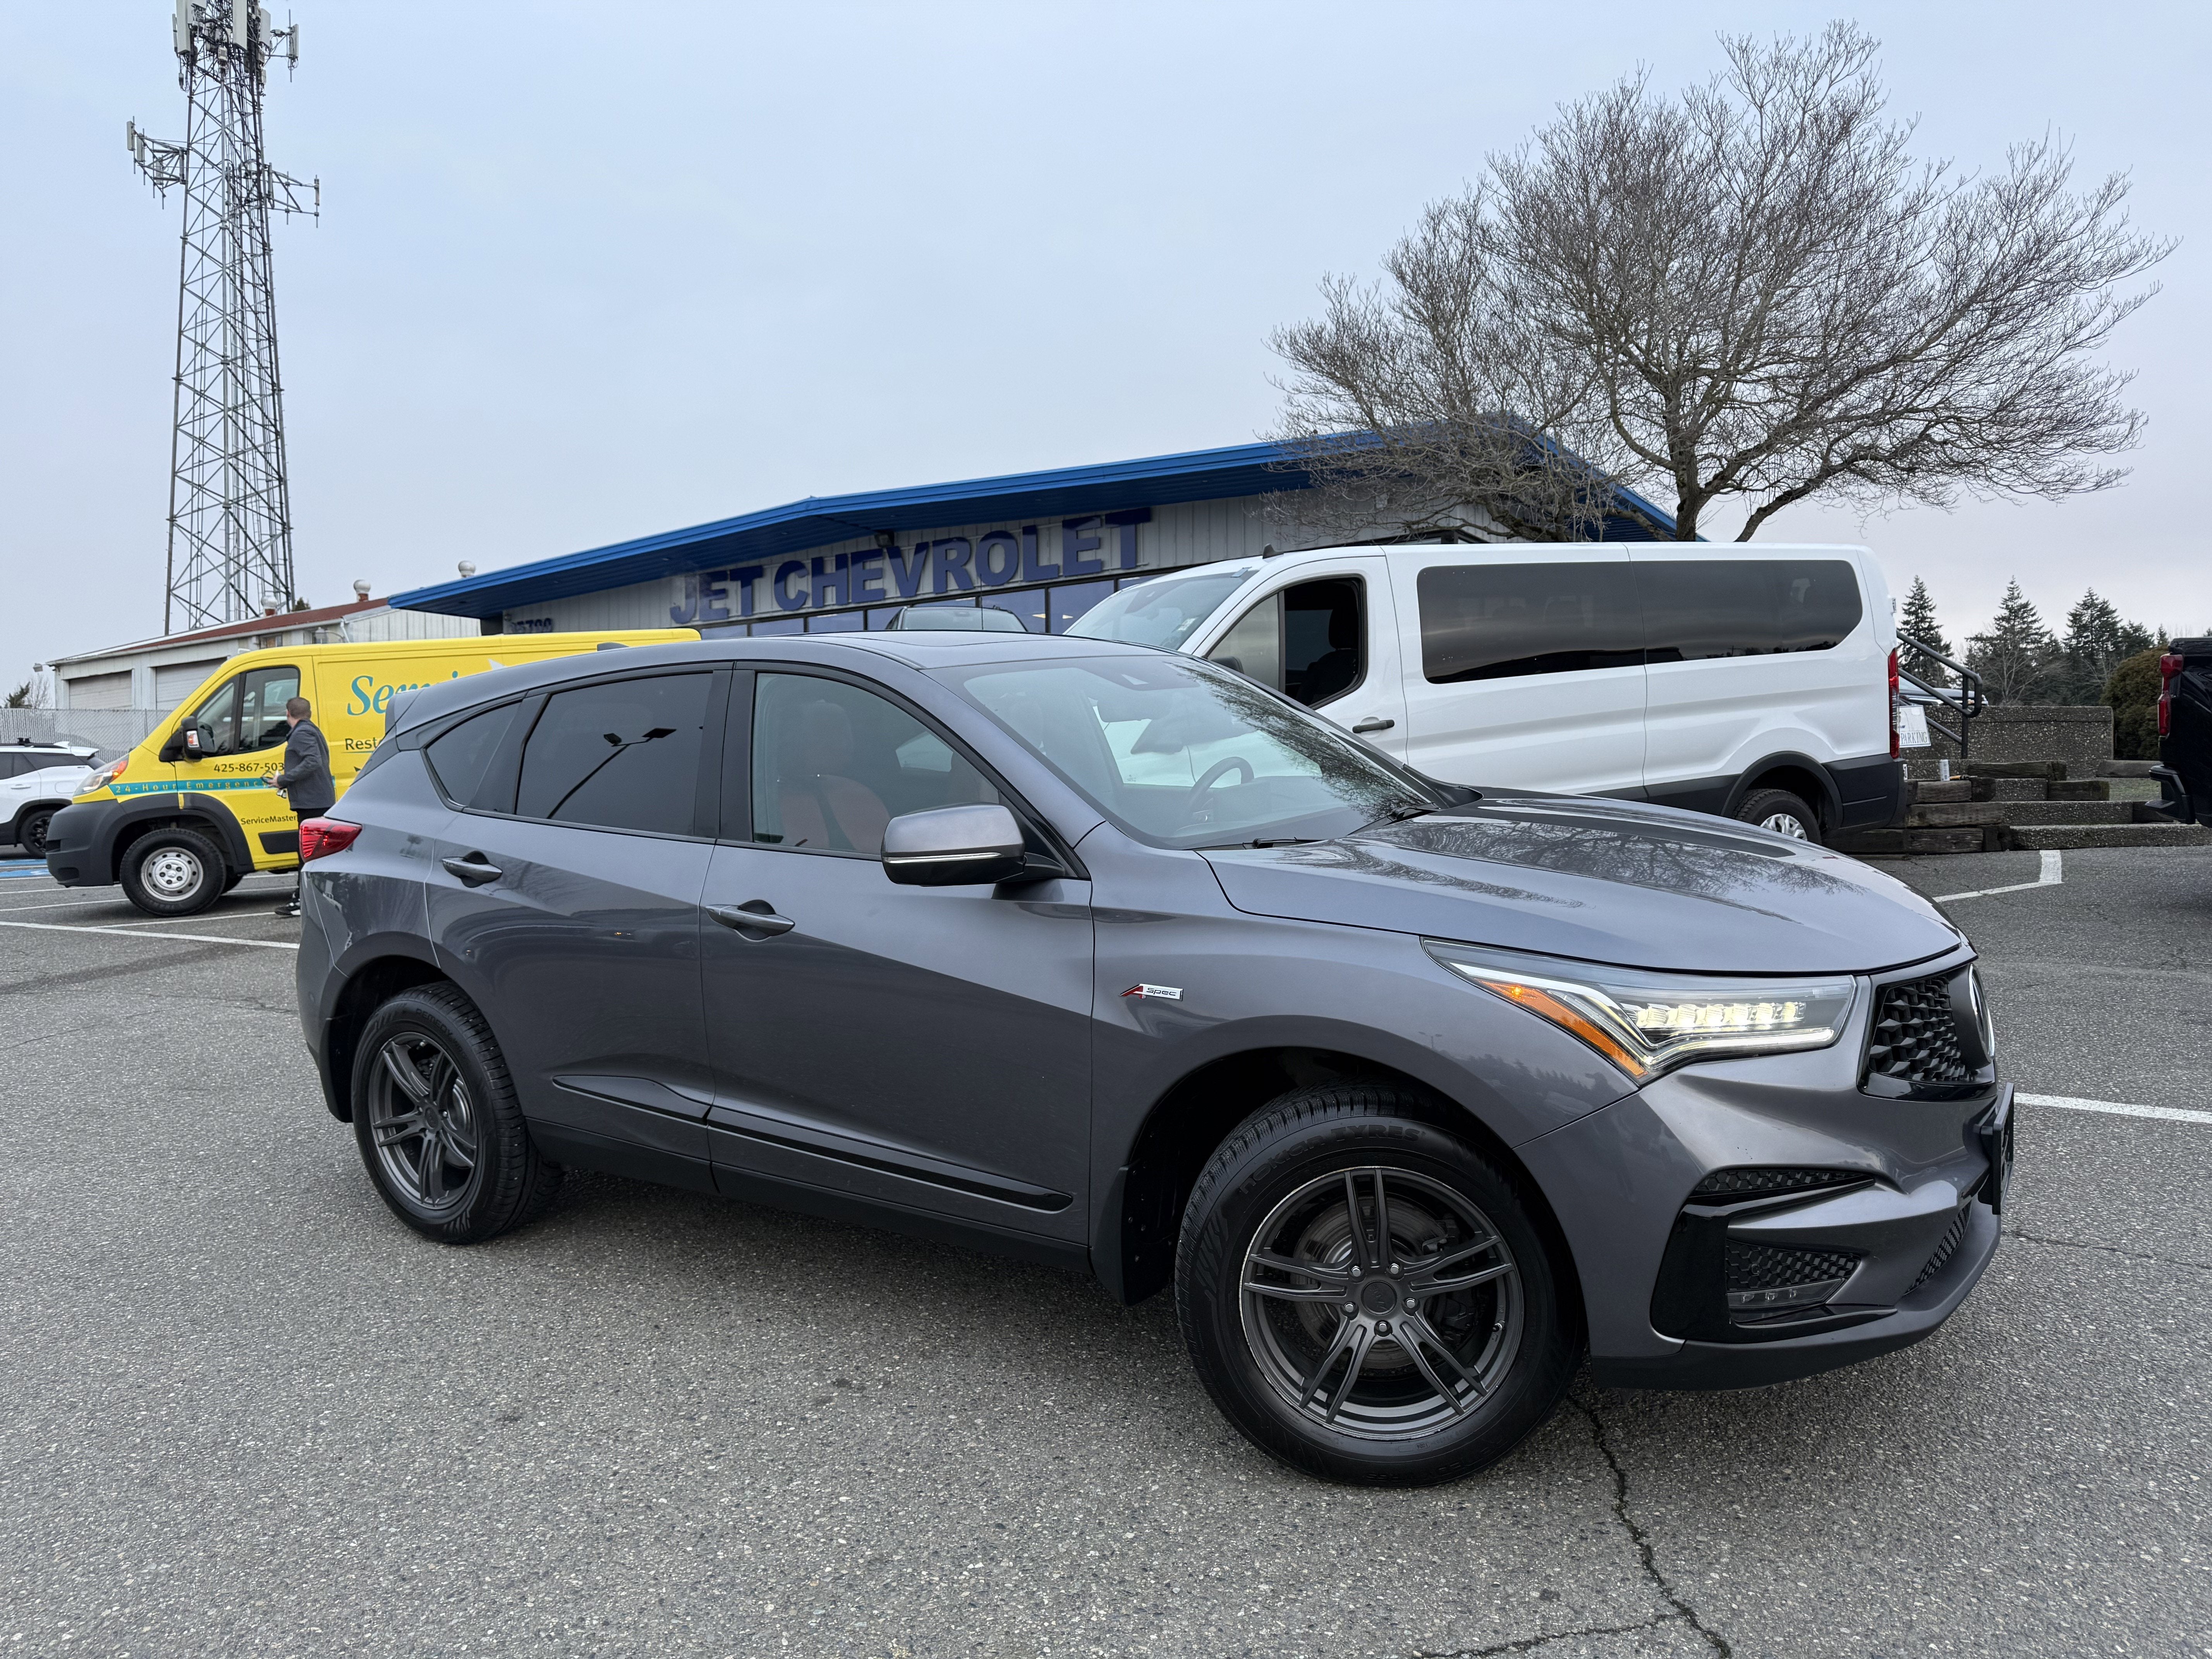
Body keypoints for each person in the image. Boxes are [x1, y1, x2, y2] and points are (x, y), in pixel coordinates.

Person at [261, 695, 334, 919]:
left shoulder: (302, 733)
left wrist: (284, 780)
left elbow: (312, 761)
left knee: (308, 852)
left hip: (312, 803)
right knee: (314, 852)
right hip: (317, 800)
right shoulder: (311, 730)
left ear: (288, 714)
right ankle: (310, 897)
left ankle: (303, 901)